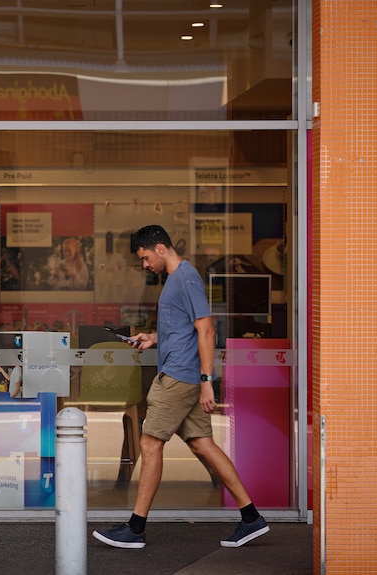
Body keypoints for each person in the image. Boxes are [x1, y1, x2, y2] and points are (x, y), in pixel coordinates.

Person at [92, 224, 269, 550]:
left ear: (160, 249)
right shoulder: (176, 280)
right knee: (203, 444)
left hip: (178, 378)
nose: (145, 266)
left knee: (149, 443)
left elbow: (206, 331)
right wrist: (153, 338)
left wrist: (206, 381)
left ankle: (136, 528)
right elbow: (185, 329)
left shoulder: (185, 278)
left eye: (145, 258)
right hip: (182, 374)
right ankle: (251, 517)